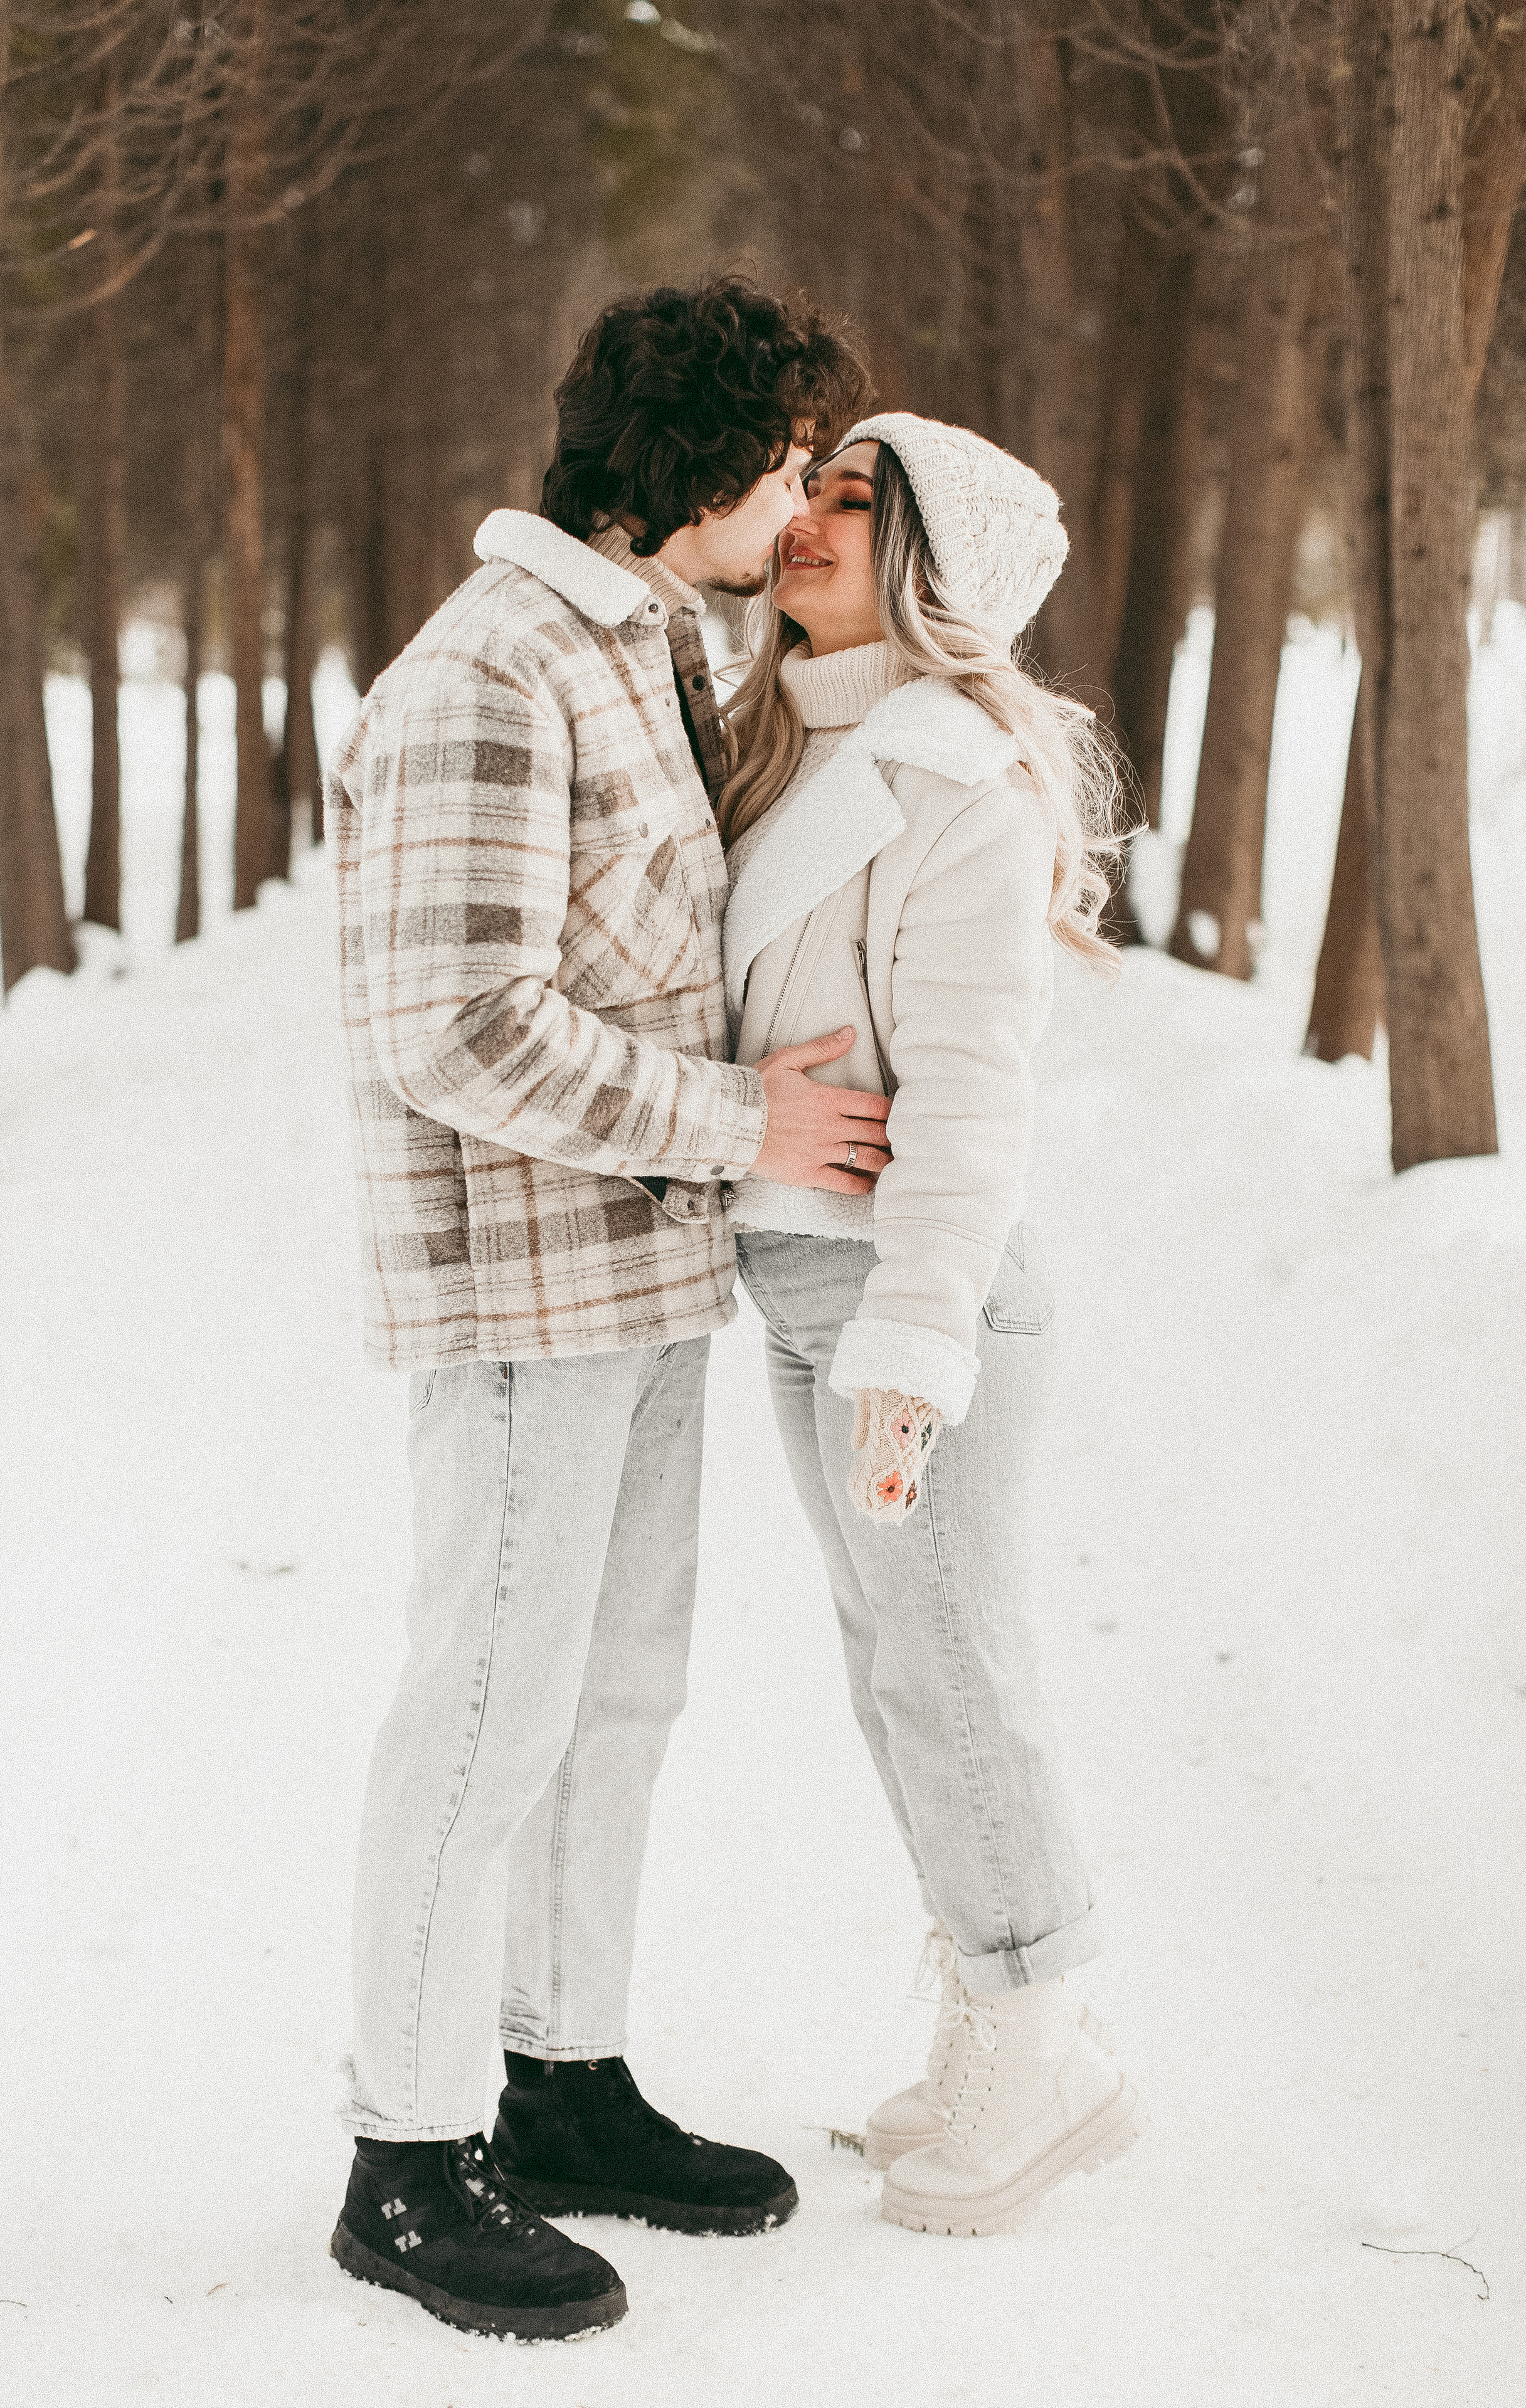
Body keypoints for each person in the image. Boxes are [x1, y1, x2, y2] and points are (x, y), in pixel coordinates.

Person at [326, 279, 877, 2341]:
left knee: (611, 1706)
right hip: (527, 1290)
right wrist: (745, 1121)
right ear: (704, 472)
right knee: (484, 1713)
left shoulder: (633, 643)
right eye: (790, 464)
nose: (801, 504)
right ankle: (402, 2154)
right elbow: (451, 1022)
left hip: (648, 1276)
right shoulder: (489, 673)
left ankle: (555, 2081)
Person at [719, 411, 1142, 2237]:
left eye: (848, 504)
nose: (803, 520)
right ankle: (994, 2016)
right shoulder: (795, 748)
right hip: (814, 1279)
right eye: (804, 491)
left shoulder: (948, 774)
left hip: (917, 1292)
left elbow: (971, 1097)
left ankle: (1047, 2045)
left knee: (958, 1675)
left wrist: (912, 1346)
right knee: (901, 1681)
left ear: (929, 564)